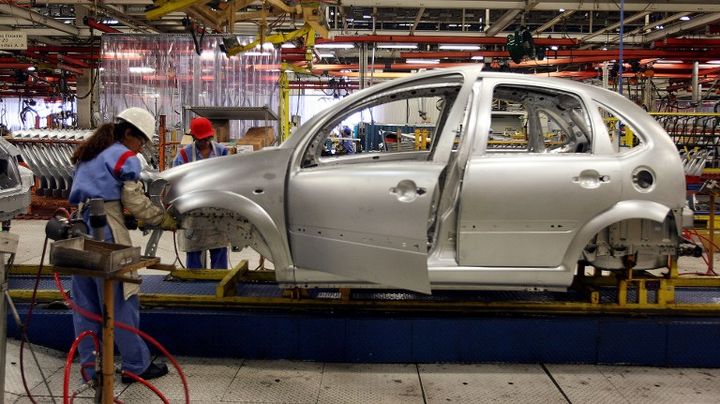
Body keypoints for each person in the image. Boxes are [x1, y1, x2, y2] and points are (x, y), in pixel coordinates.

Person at [68, 107, 176, 384]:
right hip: (107, 231)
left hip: (79, 229)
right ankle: (134, 366)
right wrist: (162, 218)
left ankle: (91, 371)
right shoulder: (125, 157)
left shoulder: (89, 153)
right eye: (141, 141)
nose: (140, 147)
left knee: (86, 304)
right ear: (128, 133)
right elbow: (135, 201)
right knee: (122, 300)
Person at [172, 116, 229, 269]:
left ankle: (220, 281)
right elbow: (175, 181)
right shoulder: (184, 155)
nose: (204, 142)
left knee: (219, 248)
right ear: (194, 137)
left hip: (217, 210)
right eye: (201, 139)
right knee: (193, 250)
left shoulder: (222, 152)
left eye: (207, 138)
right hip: (192, 211)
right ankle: (194, 285)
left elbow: (230, 178)